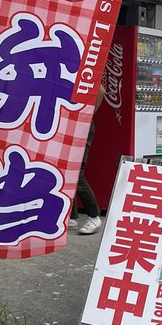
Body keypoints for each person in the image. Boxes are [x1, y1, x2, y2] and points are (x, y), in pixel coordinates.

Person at [68, 84, 104, 235]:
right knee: (66, 171)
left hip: (82, 125)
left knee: (77, 174)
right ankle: (71, 217)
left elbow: (101, 90)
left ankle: (94, 216)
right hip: (68, 124)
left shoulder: (81, 70)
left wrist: (88, 114)